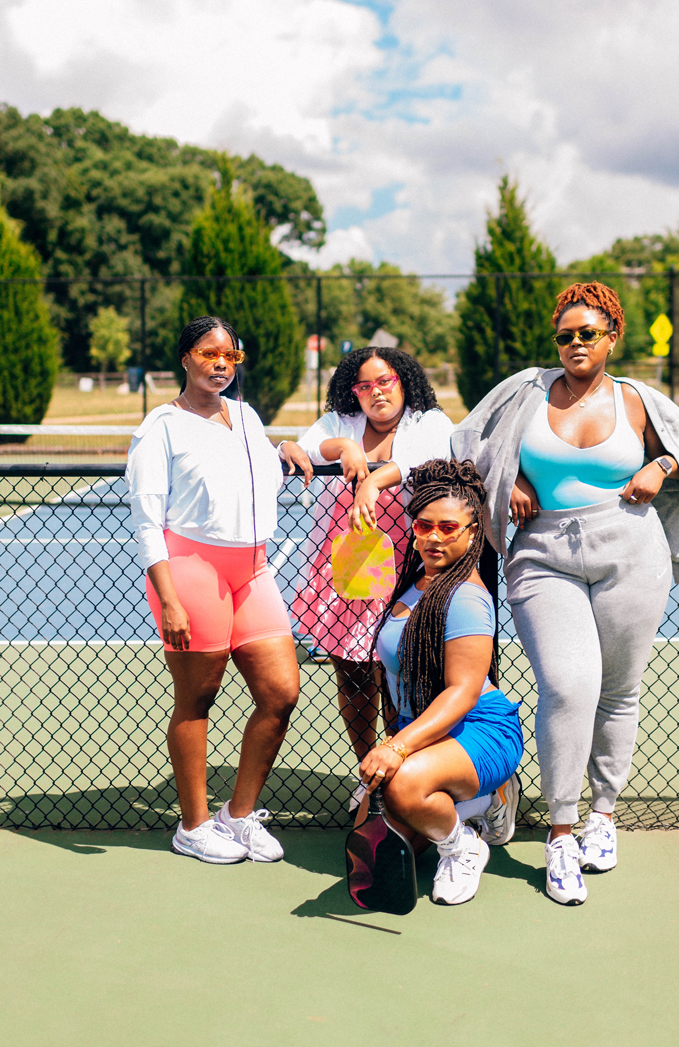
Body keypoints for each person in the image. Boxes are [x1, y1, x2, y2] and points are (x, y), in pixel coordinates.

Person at [452, 281, 679, 906]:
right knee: (569, 687)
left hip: (630, 550)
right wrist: (512, 473)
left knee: (620, 690)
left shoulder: (636, 401)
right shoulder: (526, 390)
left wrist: (662, 465)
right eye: (566, 335)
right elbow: (467, 440)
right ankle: (562, 831)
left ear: (612, 338)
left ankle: (605, 813)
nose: (575, 344)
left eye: (588, 334)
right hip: (543, 554)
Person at [126, 315, 313, 865]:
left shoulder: (248, 417)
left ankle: (237, 815)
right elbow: (145, 520)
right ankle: (193, 825)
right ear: (184, 358)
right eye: (209, 354)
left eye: (230, 356)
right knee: (198, 699)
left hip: (252, 569)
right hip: (191, 570)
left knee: (280, 692)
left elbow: (255, 473)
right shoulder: (161, 426)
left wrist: (285, 447)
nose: (220, 364)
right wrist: (169, 598)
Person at [359, 458, 524, 906]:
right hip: (430, 730)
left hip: (479, 730)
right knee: (377, 841)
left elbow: (462, 692)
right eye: (423, 525)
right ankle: (475, 805)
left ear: (473, 531)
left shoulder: (467, 597)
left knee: (404, 788)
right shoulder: (415, 579)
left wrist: (396, 747)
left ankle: (464, 843)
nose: (432, 537)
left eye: (448, 528)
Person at [290, 347, 453, 799]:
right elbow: (303, 447)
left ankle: (398, 763)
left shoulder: (429, 421)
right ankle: (369, 773)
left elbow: (430, 458)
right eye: (365, 386)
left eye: (385, 382)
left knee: (402, 672)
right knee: (355, 677)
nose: (376, 392)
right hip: (349, 568)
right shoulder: (342, 424)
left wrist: (374, 480)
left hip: (411, 564)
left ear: (403, 382)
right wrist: (343, 447)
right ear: (353, 391)